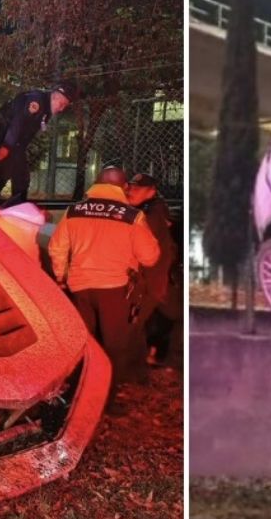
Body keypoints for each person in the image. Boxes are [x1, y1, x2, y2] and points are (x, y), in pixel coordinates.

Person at [48, 165, 160, 387]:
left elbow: (56, 248)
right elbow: (150, 257)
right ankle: (106, 397)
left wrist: (61, 277)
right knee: (115, 346)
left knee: (84, 342)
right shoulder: (132, 216)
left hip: (80, 287)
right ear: (124, 186)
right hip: (115, 289)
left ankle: (79, 389)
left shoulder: (74, 211)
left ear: (96, 183)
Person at [0, 80, 78, 212]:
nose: (61, 109)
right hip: (6, 141)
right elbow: (17, 123)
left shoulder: (46, 107)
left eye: (64, 106)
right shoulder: (36, 101)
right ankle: (1, 212)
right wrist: (5, 148)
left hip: (15, 145)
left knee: (13, 179)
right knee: (13, 179)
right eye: (61, 104)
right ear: (54, 96)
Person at [125, 173, 180, 366]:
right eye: (130, 187)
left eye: (137, 189)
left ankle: (153, 356)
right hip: (155, 275)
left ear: (152, 191)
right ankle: (154, 354)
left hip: (154, 276)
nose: (131, 191)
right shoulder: (152, 209)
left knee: (148, 316)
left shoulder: (152, 213)